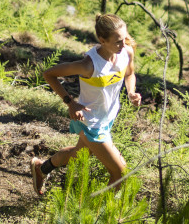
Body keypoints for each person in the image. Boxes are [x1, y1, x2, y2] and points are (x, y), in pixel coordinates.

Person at [31, 13, 141, 195]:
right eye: (118, 41)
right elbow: (49, 74)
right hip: (90, 122)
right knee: (120, 172)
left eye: (124, 38)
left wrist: (131, 92)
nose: (124, 44)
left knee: (78, 155)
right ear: (102, 40)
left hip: (107, 118)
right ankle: (108, 215)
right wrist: (70, 103)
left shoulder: (125, 52)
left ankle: (41, 168)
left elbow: (129, 74)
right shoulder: (89, 65)